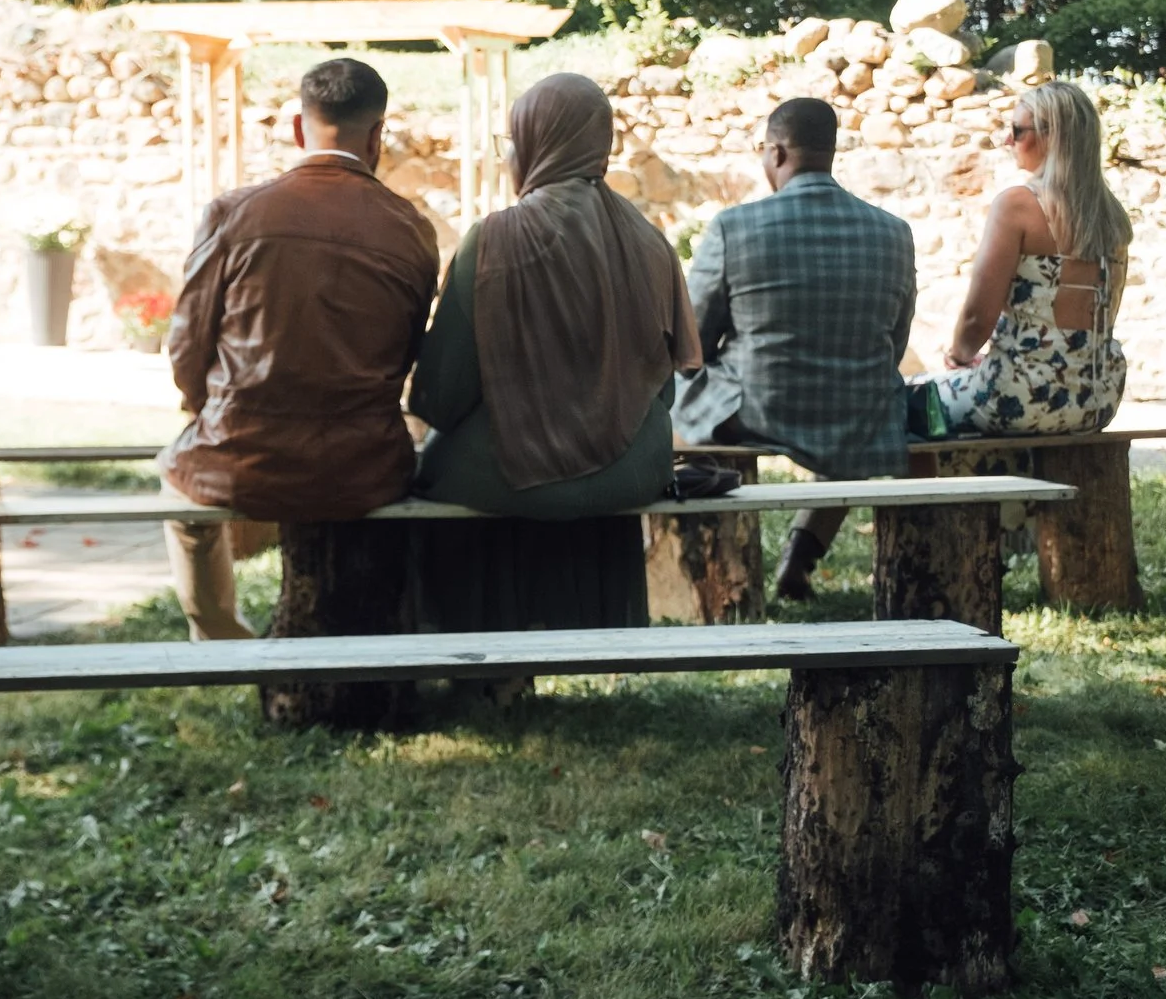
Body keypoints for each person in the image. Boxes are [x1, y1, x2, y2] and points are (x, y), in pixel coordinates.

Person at [156, 57, 438, 639]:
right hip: (365, 470)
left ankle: (221, 640)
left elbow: (187, 346)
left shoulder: (232, 214)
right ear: (377, 133)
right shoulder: (411, 229)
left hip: (243, 459)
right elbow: (408, 355)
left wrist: (199, 410)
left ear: (297, 127)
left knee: (180, 494)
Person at [407, 73, 700, 627]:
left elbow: (443, 394)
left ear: (539, 144)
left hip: (514, 475)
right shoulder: (650, 240)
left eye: (511, 143)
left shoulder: (494, 239)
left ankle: (481, 652)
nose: (508, 158)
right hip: (632, 467)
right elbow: (661, 387)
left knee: (437, 463)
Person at [673, 97, 918, 600]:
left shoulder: (732, 228)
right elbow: (895, 340)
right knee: (851, 414)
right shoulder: (894, 233)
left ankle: (719, 582)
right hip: (862, 411)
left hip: (757, 410)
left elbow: (691, 339)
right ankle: (801, 555)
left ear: (778, 153)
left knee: (672, 400)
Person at [914, 81, 1130, 438]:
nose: (1006, 140)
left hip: (1020, 396)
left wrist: (960, 358)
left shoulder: (1018, 205)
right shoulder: (1112, 215)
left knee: (910, 398)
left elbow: (976, 317)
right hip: (1097, 400)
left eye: (1017, 130)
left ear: (1052, 136)